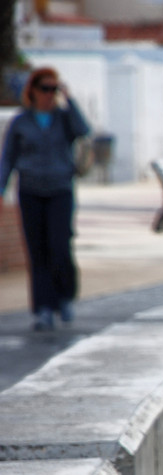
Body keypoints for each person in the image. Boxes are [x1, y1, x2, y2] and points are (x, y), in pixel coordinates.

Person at [0, 67, 90, 331]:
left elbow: (83, 130)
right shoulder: (21, 122)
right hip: (31, 190)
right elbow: (8, 158)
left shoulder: (63, 119)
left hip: (60, 189)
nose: (49, 95)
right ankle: (43, 308)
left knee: (59, 247)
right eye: (45, 89)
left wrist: (69, 99)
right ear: (33, 91)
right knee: (38, 251)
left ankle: (64, 297)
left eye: (54, 89)